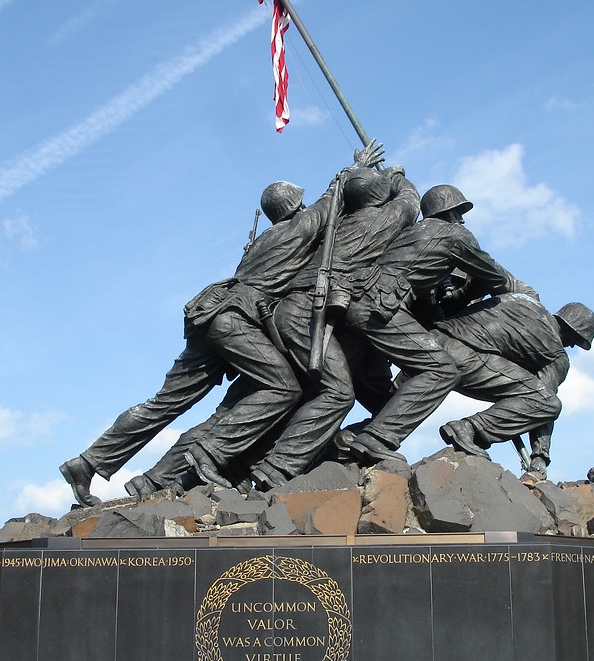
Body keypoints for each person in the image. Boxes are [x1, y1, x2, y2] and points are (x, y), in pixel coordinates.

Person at [58, 145, 385, 506]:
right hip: (235, 320)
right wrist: (353, 169)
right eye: (301, 202)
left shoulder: (262, 241)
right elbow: (331, 202)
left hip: (210, 316)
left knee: (164, 404)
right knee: (283, 388)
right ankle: (209, 452)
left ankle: (89, 462)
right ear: (294, 205)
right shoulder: (297, 229)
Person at [247, 164, 420, 489]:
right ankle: (276, 468)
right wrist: (398, 176)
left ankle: (338, 448)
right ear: (380, 196)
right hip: (307, 311)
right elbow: (410, 201)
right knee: (338, 393)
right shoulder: (382, 219)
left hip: (319, 316)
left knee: (370, 399)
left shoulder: (332, 227)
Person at [333, 184, 520, 465]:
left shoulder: (412, 233)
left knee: (349, 388)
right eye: (459, 212)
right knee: (441, 370)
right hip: (380, 305)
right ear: (447, 212)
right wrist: (463, 295)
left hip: (355, 302)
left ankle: (333, 448)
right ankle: (377, 439)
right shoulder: (456, 235)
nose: (462, 219)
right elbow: (495, 278)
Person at [432, 290, 594, 480]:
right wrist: (540, 456)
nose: (571, 346)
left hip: (430, 340)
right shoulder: (555, 352)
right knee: (549, 403)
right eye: (576, 341)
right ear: (571, 330)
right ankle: (469, 429)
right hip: (462, 357)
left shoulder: (522, 300)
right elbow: (542, 402)